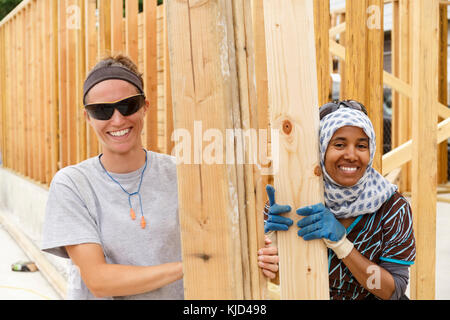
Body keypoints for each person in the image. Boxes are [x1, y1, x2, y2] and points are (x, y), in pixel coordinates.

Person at [41, 54, 274, 300]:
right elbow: (99, 280)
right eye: (102, 110)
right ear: (88, 117)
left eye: (128, 105)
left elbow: (226, 239)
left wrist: (263, 253)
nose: (117, 119)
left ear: (145, 107)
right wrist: (193, 265)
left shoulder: (182, 174)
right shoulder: (73, 184)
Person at [262, 100, 416, 300]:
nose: (351, 155)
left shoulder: (392, 208)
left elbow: (392, 291)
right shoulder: (291, 204)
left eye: (361, 145)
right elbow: (278, 282)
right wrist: (270, 251)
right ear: (321, 149)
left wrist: (343, 246)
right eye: (339, 144)